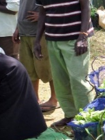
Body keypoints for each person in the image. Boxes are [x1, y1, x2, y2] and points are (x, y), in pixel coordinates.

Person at [34, 0, 95, 128]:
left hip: (75, 39)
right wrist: (37, 40)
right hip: (52, 39)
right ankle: (70, 115)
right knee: (60, 80)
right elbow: (43, 13)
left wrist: (83, 36)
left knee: (78, 80)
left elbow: (85, 8)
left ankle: (87, 119)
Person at [12, 0, 58, 111]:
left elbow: (56, 5)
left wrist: (43, 16)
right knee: (29, 68)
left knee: (47, 67)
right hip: (24, 31)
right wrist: (18, 28)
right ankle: (35, 98)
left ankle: (54, 99)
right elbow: (22, 8)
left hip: (40, 33)